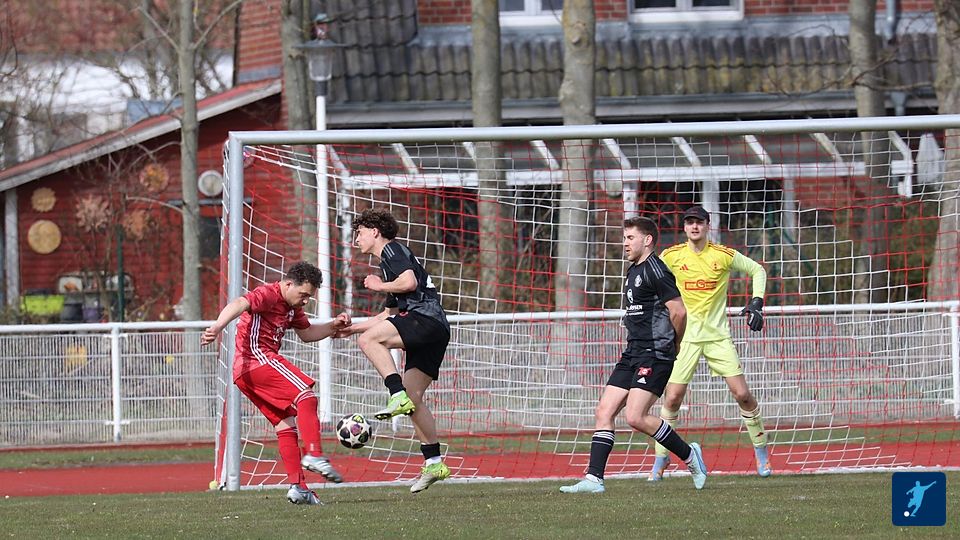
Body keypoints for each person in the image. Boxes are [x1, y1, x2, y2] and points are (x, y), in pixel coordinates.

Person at [560, 216, 707, 494]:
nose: (625, 243)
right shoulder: (633, 270)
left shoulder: (657, 270)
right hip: (633, 352)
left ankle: (690, 456)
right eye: (624, 238)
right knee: (604, 411)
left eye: (630, 238)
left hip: (655, 353)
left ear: (647, 240)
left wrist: (674, 344)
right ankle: (594, 479)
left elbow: (679, 311)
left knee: (635, 417)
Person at [200, 261, 351, 505]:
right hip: (256, 359)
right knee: (306, 396)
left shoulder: (292, 307)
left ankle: (299, 488)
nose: (305, 301)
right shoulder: (269, 294)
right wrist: (218, 326)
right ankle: (314, 454)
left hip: (245, 373)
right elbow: (239, 303)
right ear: (288, 284)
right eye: (303, 294)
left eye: (309, 297)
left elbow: (307, 334)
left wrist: (333, 326)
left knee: (285, 424)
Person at [651, 205, 771, 481]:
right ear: (684, 227)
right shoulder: (671, 256)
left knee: (742, 394)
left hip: (718, 337)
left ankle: (761, 452)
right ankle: (661, 458)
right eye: (689, 222)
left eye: (699, 222)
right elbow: (650, 276)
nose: (694, 227)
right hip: (685, 338)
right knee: (672, 397)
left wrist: (757, 302)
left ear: (708, 225)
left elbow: (757, 270)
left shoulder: (722, 255)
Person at [339, 208, 452, 493]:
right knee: (414, 399)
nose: (357, 239)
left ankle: (395, 394)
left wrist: (379, 286)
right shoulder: (390, 265)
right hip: (435, 328)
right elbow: (387, 315)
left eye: (360, 233)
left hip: (425, 320)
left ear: (374, 231)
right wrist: (350, 329)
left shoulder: (392, 251)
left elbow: (409, 282)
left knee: (370, 342)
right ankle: (434, 463)